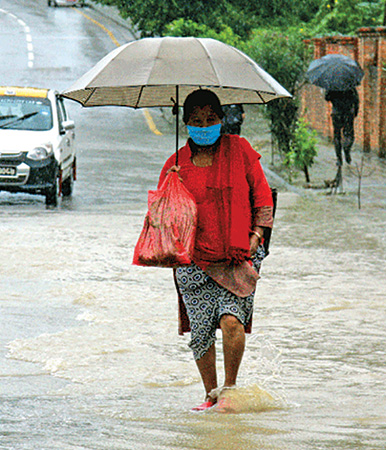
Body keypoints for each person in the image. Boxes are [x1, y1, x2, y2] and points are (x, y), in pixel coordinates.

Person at [159, 89, 274, 412]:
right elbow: (165, 218)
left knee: (231, 322)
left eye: (211, 119)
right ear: (185, 124)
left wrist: (257, 234)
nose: (204, 125)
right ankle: (211, 394)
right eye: (196, 121)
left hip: (239, 254)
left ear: (222, 120)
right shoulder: (176, 163)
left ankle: (230, 391)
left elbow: (263, 196)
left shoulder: (240, 150)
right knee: (201, 332)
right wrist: (171, 184)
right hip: (193, 260)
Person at [324, 87, 359, 167]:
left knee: (337, 136)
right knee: (349, 134)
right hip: (348, 113)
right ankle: (346, 150)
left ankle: (339, 159)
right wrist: (355, 111)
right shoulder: (350, 85)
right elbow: (356, 100)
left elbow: (327, 98)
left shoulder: (332, 85)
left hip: (337, 113)